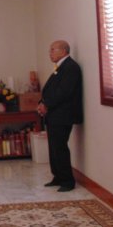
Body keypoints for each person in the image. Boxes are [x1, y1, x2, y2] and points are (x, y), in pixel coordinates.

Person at [36, 40, 83, 192]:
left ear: (63, 51)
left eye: (53, 49)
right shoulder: (60, 67)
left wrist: (46, 105)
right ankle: (57, 176)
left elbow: (64, 92)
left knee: (60, 147)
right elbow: (51, 90)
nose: (50, 53)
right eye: (50, 50)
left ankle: (68, 181)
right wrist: (42, 103)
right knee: (53, 147)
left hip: (63, 115)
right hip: (54, 114)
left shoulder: (71, 67)